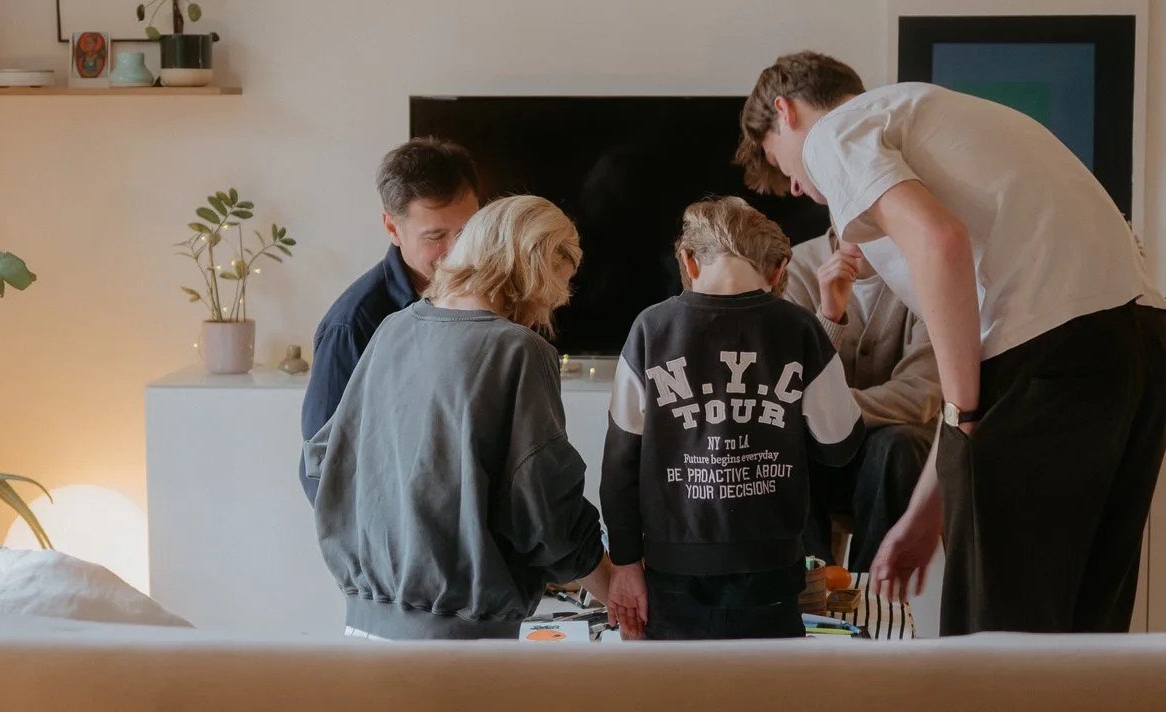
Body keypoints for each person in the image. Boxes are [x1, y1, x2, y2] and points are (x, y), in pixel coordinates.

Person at [739, 52, 1166, 635]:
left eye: (780, 162)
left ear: (785, 111)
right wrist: (927, 512)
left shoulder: (834, 134)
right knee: (1086, 630)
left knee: (998, 637)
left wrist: (965, 415)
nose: (797, 186)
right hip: (1143, 349)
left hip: (1053, 359)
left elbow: (939, 242)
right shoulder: (936, 113)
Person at [302, 195, 613, 639]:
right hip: (458, 645)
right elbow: (543, 505)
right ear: (532, 273)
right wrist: (613, 585)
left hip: (362, 626)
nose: (547, 308)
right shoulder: (519, 351)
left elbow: (325, 457)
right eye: (552, 290)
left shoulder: (393, 329)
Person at [601, 198, 861, 640]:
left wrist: (626, 564)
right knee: (768, 700)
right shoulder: (800, 330)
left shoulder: (650, 329)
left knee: (676, 697)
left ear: (688, 260)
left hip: (673, 571)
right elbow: (840, 446)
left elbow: (620, 464)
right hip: (772, 571)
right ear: (779, 270)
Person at [298, 137, 482, 452]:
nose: (458, 251)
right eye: (435, 236)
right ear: (392, 228)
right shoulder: (351, 326)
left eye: (467, 230)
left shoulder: (494, 296)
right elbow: (322, 465)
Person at [781, 231, 939, 575]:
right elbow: (787, 395)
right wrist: (829, 317)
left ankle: (875, 599)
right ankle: (810, 591)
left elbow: (921, 396)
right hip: (817, 461)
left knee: (899, 443)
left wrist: (829, 410)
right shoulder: (793, 270)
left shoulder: (925, 269)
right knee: (785, 447)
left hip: (894, 462)